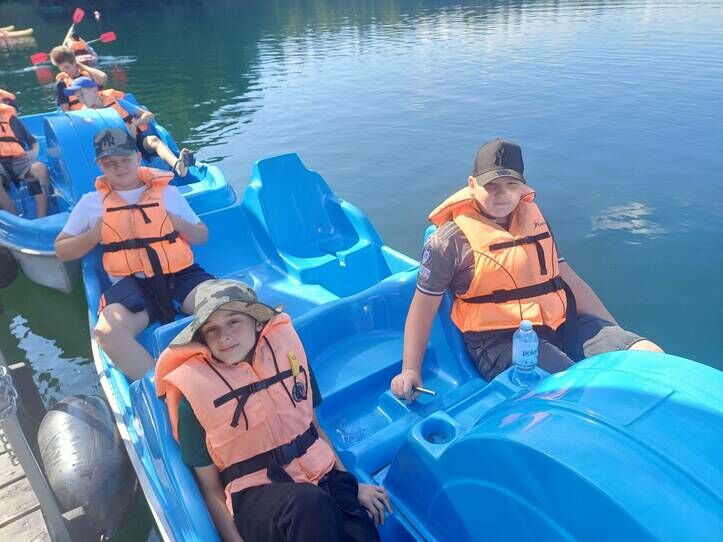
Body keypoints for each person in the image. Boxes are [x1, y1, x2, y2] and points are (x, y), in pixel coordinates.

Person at [391, 138, 663, 401]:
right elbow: (422, 307)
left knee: (647, 356)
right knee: (575, 390)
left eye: (511, 184)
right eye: (491, 185)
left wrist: (613, 329)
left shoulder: (534, 220)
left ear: (522, 186)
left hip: (561, 323)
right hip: (500, 341)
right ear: (472, 184)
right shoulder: (448, 241)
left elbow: (570, 280)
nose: (502, 194)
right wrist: (410, 370)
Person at [155, 279, 390, 542]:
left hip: (320, 475)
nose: (224, 336)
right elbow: (210, 488)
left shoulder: (290, 357)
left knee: (360, 532)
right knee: (309, 504)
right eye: (212, 330)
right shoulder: (194, 396)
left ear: (257, 322)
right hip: (255, 498)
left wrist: (351, 485)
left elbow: (313, 429)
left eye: (234, 321)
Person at [55, 128, 213, 380]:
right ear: (100, 165)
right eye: (110, 163)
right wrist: (94, 234)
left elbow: (202, 236)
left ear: (138, 157)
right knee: (107, 333)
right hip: (132, 286)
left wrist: (178, 223)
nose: (119, 167)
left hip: (181, 276)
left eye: (125, 159)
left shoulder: (168, 193)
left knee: (228, 301)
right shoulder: (90, 203)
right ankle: (164, 388)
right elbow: (61, 250)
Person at [64, 76, 193, 176]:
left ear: (94, 90)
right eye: (77, 96)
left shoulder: (116, 101)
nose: (80, 99)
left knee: (153, 140)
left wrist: (134, 124)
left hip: (135, 139)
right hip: (115, 149)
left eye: (82, 94)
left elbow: (148, 115)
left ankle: (178, 166)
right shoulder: (85, 115)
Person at [0, 91, 51, 217]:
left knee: (39, 169)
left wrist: (33, 152)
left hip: (18, 161)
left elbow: (33, 142)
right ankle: (13, 219)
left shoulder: (10, 118)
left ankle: (41, 218)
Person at [49, 45, 107, 111]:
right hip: (79, 115)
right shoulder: (61, 83)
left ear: (74, 62)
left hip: (99, 111)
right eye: (61, 68)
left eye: (67, 67)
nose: (65, 71)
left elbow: (103, 77)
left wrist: (81, 65)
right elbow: (65, 110)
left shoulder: (88, 76)